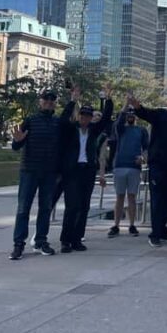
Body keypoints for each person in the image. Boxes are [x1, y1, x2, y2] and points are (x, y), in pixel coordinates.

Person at [9, 89, 71, 260]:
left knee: (45, 208)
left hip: (49, 172)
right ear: (40, 101)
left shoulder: (58, 123)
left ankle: (41, 241)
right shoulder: (30, 120)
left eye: (52, 99)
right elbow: (16, 146)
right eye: (46, 99)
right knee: (23, 209)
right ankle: (18, 244)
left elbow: (63, 147)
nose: (49, 102)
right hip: (29, 170)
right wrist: (18, 140)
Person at [58, 86, 113, 253]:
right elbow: (62, 119)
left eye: (89, 116)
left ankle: (77, 239)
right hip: (73, 171)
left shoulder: (93, 131)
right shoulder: (71, 129)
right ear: (79, 115)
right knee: (72, 206)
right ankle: (65, 240)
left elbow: (106, 119)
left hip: (87, 172)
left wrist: (109, 99)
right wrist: (73, 100)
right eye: (83, 115)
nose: (85, 118)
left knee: (84, 206)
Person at [129, 93, 167, 247]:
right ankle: (154, 234)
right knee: (157, 200)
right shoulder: (162, 115)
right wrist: (136, 106)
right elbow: (146, 114)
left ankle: (162, 230)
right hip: (158, 166)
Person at [102, 101, 148, 239]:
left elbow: (146, 148)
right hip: (120, 165)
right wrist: (126, 103)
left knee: (132, 197)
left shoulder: (141, 130)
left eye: (132, 114)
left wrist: (143, 158)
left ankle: (132, 225)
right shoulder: (120, 128)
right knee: (120, 197)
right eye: (128, 113)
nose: (130, 115)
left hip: (134, 167)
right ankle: (116, 225)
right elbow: (120, 117)